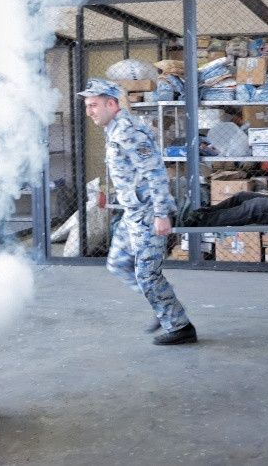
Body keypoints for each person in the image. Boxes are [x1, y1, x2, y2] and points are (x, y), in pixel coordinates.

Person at [78, 78, 196, 345]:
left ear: (111, 103)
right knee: (118, 264)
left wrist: (161, 213)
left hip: (147, 213)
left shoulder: (128, 130)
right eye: (87, 106)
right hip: (132, 213)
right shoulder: (114, 128)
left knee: (147, 274)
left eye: (94, 105)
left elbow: (154, 171)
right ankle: (161, 300)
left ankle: (180, 326)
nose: (90, 112)